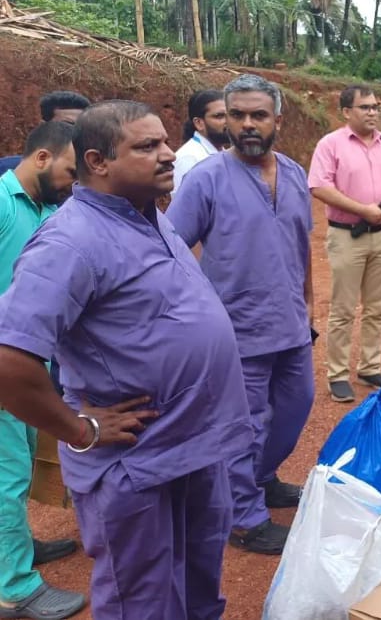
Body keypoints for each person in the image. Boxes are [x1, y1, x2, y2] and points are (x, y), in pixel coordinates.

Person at [0, 100, 251, 618]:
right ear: (97, 161)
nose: (167, 156)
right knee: (142, 601)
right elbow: (9, 360)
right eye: (147, 146)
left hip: (193, 446)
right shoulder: (70, 241)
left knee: (198, 586)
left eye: (164, 142)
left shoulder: (149, 216)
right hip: (135, 464)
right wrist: (79, 428)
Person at [167, 74, 313, 556]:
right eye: (238, 115)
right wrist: (195, 315)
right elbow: (170, 249)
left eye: (258, 115)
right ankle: (245, 517)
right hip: (235, 332)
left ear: (277, 120)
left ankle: (261, 478)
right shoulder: (206, 179)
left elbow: (300, 247)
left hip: (291, 324)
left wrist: (308, 306)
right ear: (225, 120)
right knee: (243, 427)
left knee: (295, 409)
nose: (248, 125)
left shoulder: (294, 174)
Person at [0, 122, 84, 620]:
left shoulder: (50, 210)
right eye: (70, 171)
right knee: (7, 474)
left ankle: (17, 548)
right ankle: (14, 588)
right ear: (41, 157)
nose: (73, 182)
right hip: (4, 363)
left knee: (22, 463)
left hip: (31, 364)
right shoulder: (1, 202)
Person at [308, 85, 381, 403]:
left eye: (375, 107)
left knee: (376, 308)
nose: (372, 112)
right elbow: (318, 185)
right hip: (347, 236)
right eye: (364, 107)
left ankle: (370, 366)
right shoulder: (331, 145)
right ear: (346, 112)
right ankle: (338, 374)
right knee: (342, 309)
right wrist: (362, 210)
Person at [0, 91, 91, 176]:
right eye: (67, 125)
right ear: (43, 126)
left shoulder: (92, 177)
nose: (74, 132)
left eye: (80, 127)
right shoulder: (6, 170)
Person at [172, 89, 229, 193]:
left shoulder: (225, 153)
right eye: (219, 116)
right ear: (199, 123)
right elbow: (186, 206)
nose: (228, 121)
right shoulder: (189, 158)